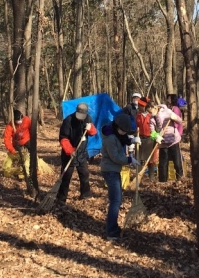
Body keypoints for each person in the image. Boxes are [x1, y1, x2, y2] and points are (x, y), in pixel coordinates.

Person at [100, 112, 140, 241]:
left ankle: (113, 227)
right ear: (117, 127)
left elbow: (123, 140)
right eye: (123, 130)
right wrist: (129, 160)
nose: (124, 132)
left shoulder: (117, 134)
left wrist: (132, 140)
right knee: (116, 200)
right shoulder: (111, 138)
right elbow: (115, 157)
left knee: (116, 199)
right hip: (109, 170)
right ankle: (111, 231)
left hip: (114, 170)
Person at [57, 102, 98, 203]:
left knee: (84, 174)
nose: (81, 118)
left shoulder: (88, 119)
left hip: (81, 152)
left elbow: (94, 133)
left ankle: (86, 194)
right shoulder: (68, 121)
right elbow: (63, 138)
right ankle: (61, 197)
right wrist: (70, 150)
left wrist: (90, 129)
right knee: (66, 176)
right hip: (69, 153)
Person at [149, 100, 183, 182]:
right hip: (163, 142)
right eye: (148, 112)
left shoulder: (167, 111)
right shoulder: (152, 118)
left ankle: (180, 179)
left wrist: (174, 117)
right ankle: (163, 181)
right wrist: (156, 136)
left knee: (177, 162)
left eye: (150, 111)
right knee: (163, 164)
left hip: (173, 140)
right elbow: (152, 131)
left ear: (155, 107)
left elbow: (180, 121)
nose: (150, 113)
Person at [3, 109, 34, 195]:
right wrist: (12, 150)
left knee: (32, 155)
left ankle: (33, 169)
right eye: (18, 120)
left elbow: (32, 130)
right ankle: (21, 173)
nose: (20, 121)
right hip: (17, 143)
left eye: (21, 119)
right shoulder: (10, 125)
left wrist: (32, 140)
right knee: (19, 159)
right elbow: (6, 139)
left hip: (27, 140)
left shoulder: (27, 120)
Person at [135, 97, 158, 180]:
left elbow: (157, 128)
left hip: (151, 139)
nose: (139, 106)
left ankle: (151, 177)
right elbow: (136, 127)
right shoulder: (138, 115)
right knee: (139, 158)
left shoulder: (152, 115)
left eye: (141, 105)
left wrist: (156, 137)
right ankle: (139, 177)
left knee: (151, 159)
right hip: (140, 138)